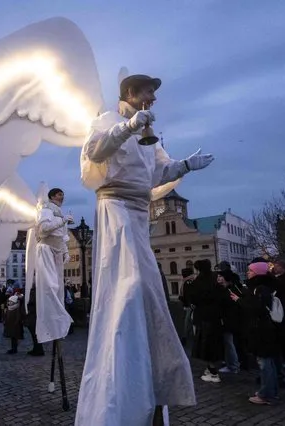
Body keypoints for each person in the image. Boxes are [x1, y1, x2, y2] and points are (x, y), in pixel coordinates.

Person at [77, 73, 214, 425]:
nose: (153, 97)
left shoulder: (150, 133)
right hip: (116, 207)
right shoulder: (107, 121)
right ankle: (117, 385)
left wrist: (184, 165)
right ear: (131, 93)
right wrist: (128, 127)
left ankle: (146, 378)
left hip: (139, 213)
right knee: (129, 284)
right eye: (149, 91)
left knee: (147, 289)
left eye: (154, 93)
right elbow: (95, 152)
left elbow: (157, 174)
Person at [230, 262, 280, 405]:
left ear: (257, 273)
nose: (248, 273)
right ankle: (271, 392)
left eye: (250, 271)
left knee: (264, 363)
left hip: (261, 330)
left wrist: (238, 300)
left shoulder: (259, 288)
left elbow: (255, 308)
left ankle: (266, 395)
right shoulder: (266, 286)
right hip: (267, 329)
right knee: (269, 362)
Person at [33, 187, 74, 344]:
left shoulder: (59, 212)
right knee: (50, 286)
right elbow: (43, 230)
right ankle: (50, 323)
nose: (62, 197)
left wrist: (65, 252)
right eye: (59, 195)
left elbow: (61, 237)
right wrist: (63, 221)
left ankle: (58, 323)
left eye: (63, 195)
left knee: (58, 288)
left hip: (56, 251)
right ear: (52, 196)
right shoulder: (46, 209)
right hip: (47, 250)